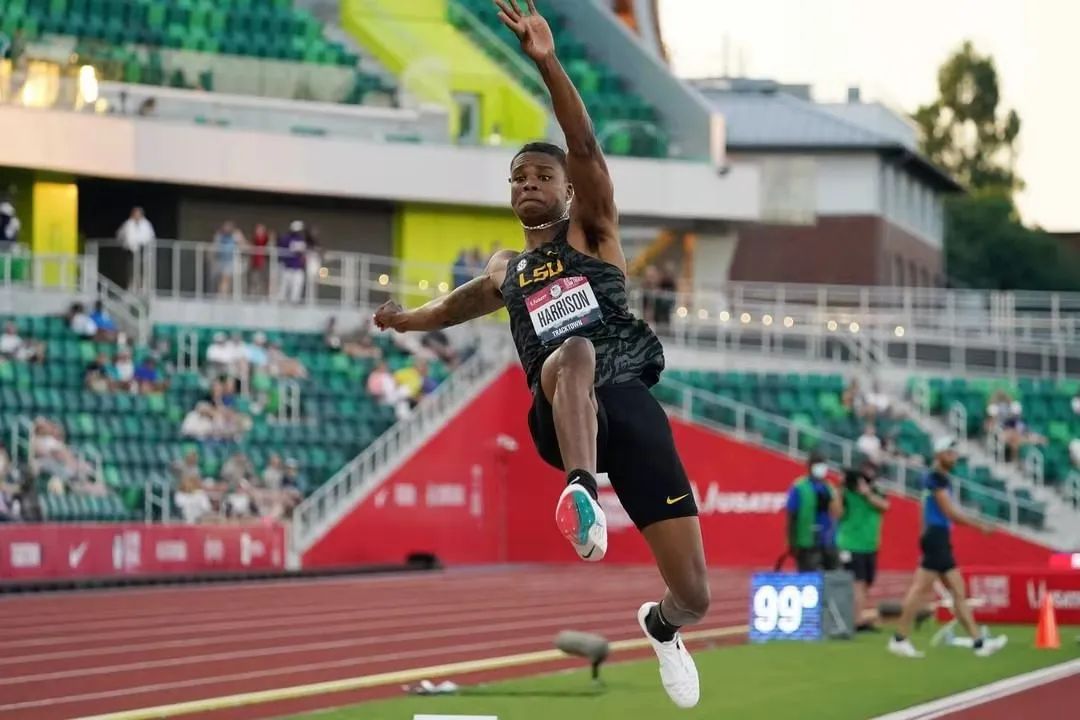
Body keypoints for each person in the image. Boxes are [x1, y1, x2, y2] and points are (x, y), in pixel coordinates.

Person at [373, 1, 705, 708]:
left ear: (568, 192)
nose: (527, 182)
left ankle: (660, 626)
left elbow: (582, 143)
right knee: (574, 351)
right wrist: (405, 321)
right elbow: (455, 306)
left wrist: (546, 62)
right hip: (559, 406)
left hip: (630, 405)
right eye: (517, 176)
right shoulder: (505, 270)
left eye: (540, 176)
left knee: (696, 594)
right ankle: (582, 492)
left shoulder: (594, 233)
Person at [888, 437, 1008, 658]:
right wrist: (979, 526)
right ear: (939, 454)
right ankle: (899, 638)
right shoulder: (936, 479)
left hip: (936, 536)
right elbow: (949, 512)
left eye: (954, 454)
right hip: (936, 537)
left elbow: (927, 509)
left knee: (957, 591)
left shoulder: (938, 478)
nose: (953, 458)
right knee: (921, 589)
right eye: (949, 453)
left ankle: (979, 642)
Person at [838, 460, 889, 632]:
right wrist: (842, 489)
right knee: (857, 583)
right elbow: (838, 513)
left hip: (870, 545)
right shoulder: (846, 492)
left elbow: (884, 507)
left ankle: (857, 618)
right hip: (851, 544)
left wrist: (867, 494)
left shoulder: (877, 491)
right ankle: (854, 621)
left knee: (867, 582)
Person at [786, 451, 842, 572]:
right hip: (806, 542)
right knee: (808, 581)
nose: (822, 468)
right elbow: (791, 516)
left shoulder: (829, 487)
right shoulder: (799, 487)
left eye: (823, 464)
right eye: (818, 464)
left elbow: (838, 513)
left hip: (828, 541)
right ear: (810, 466)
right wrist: (792, 543)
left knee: (833, 580)